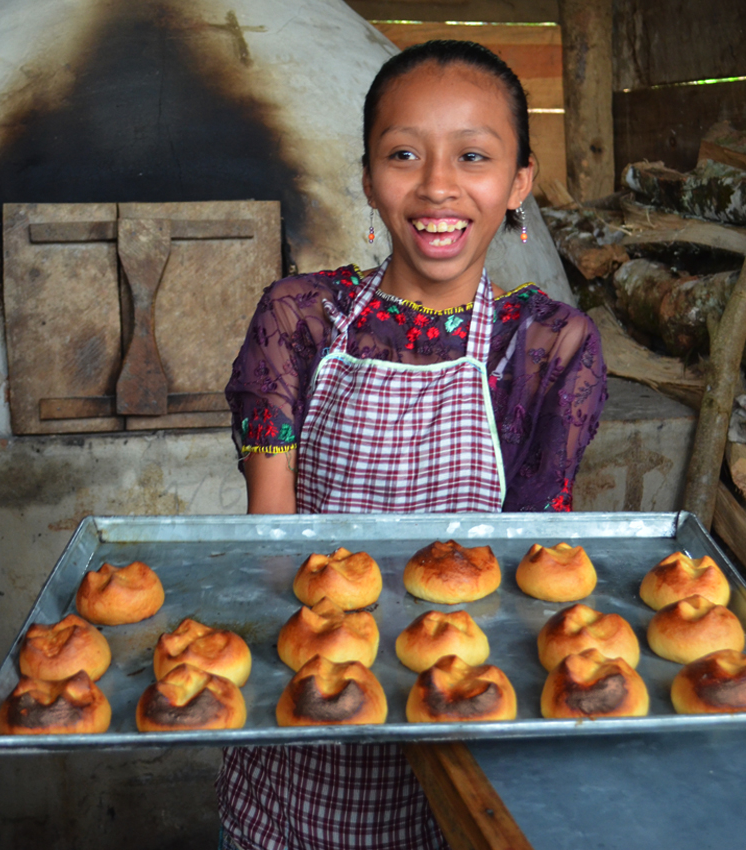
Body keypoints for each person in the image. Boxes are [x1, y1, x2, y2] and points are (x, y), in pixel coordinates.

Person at [220, 39, 607, 850]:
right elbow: (269, 541)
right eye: (404, 155)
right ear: (367, 175)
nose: (437, 185)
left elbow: (537, 570)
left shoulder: (548, 346)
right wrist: (345, 668)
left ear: (519, 184)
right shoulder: (299, 317)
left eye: (473, 155)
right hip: (312, 706)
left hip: (464, 709)